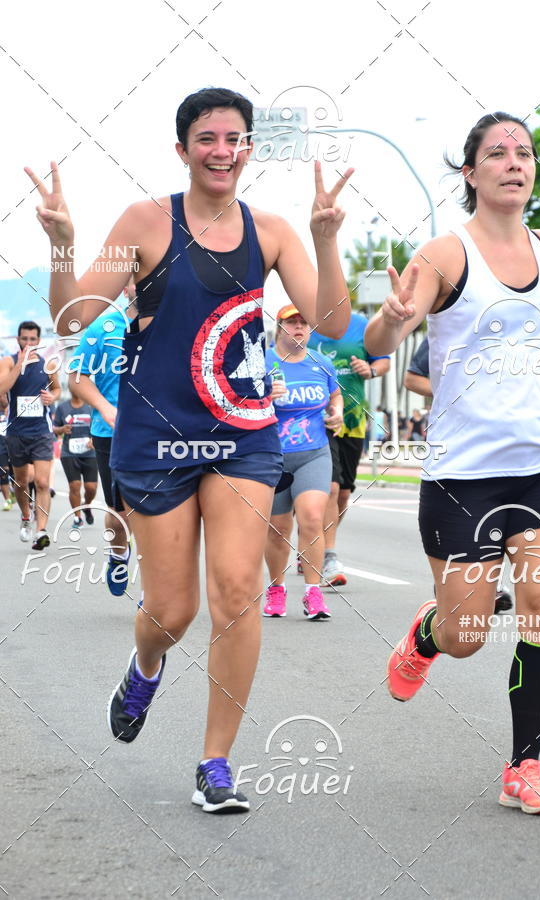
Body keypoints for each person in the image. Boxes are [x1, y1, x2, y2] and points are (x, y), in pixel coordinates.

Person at [28, 86, 351, 813]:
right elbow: (73, 314)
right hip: (155, 436)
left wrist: (325, 238)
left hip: (242, 435)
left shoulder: (271, 232)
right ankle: (145, 666)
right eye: (207, 138)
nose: (222, 150)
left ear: (248, 151)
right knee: (172, 612)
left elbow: (330, 317)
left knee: (235, 593)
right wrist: (61, 247)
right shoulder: (146, 221)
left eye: (235, 138)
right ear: (183, 150)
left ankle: (215, 763)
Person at [365, 111, 540, 816]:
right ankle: (427, 634)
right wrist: (391, 316)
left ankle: (524, 766)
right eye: (496, 153)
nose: (513, 162)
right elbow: (385, 335)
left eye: (523, 152)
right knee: (466, 635)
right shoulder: (444, 255)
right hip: (464, 473)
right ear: (470, 173)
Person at [404, 336, 514, 615]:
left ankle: (492, 584)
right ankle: (451, 582)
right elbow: (412, 379)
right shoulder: (449, 325)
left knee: (504, 512)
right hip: (458, 443)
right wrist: (456, 393)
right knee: (465, 515)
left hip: (507, 440)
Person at [264, 304, 343, 620]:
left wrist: (336, 413)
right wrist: (264, 397)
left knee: (312, 517)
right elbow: (237, 401)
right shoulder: (263, 362)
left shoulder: (321, 363)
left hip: (314, 452)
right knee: (278, 528)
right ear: (279, 329)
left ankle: (313, 593)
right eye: (291, 323)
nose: (299, 328)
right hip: (272, 455)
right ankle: (276, 588)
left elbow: (334, 395)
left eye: (304, 323)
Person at [307, 311, 390, 587]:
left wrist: (371, 370)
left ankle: (313, 542)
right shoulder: (306, 323)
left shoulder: (362, 326)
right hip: (317, 420)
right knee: (330, 487)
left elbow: (382, 362)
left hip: (354, 420)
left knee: (343, 493)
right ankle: (328, 557)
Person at [68, 280, 138, 595]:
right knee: (120, 514)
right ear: (127, 289)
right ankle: (118, 554)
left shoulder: (173, 324)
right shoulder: (105, 326)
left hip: (159, 435)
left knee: (157, 513)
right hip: (110, 433)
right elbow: (77, 376)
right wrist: (106, 408)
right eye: (139, 277)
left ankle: (153, 595)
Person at [0, 321, 60, 549]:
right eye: (24, 339)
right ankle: (26, 516)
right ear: (18, 340)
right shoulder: (8, 362)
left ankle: (41, 530)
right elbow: (1, 388)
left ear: (38, 341)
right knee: (22, 482)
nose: (28, 343)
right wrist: (19, 366)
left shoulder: (48, 364)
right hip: (16, 432)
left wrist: (52, 398)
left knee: (43, 481)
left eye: (32, 339)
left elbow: (57, 389)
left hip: (41, 432)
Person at [53, 385, 98, 528]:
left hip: (89, 453)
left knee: (91, 488)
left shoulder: (91, 407)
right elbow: (54, 428)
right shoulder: (62, 408)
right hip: (69, 452)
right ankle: (78, 517)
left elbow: (99, 427)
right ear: (71, 389)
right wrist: (61, 429)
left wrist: (94, 440)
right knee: (75, 485)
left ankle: (86, 505)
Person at [0, 395, 15, 510]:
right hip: (1, 446)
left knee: (16, 472)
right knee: (3, 471)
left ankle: (15, 491)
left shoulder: (14, 408)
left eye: (4, 396)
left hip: (14, 443)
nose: (2, 398)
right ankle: (7, 500)